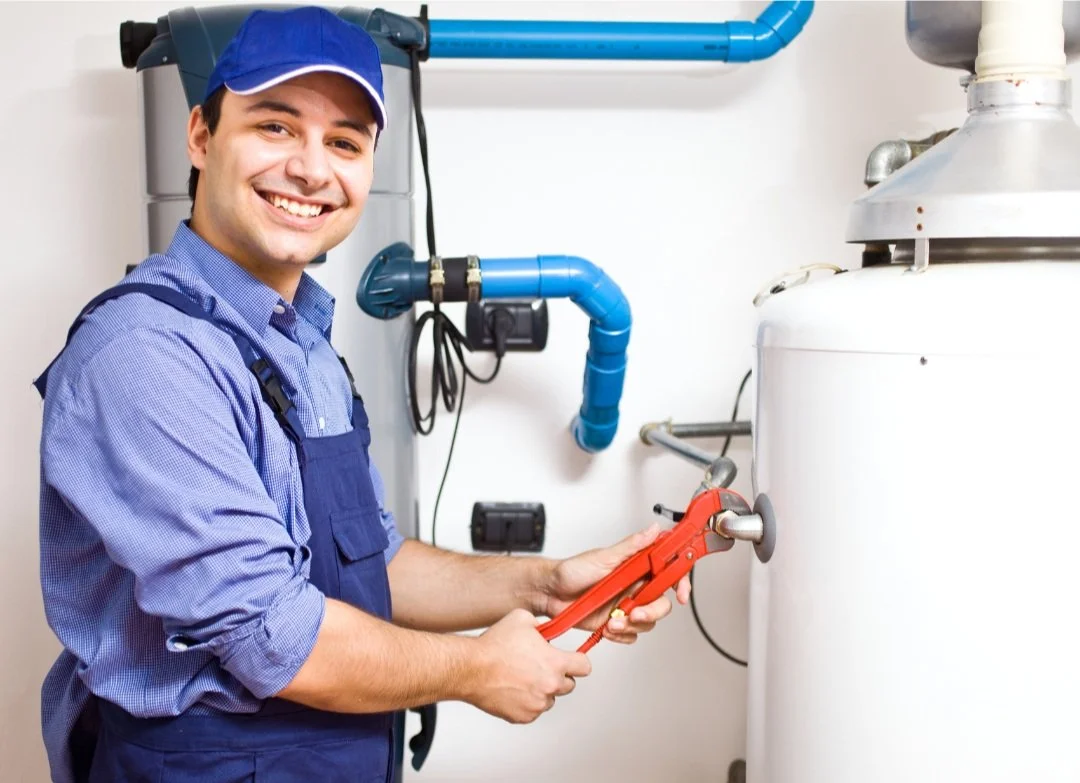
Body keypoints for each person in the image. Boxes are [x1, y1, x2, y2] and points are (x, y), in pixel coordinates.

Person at [34, 7, 689, 783]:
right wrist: (476, 668)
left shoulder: (300, 341)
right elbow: (273, 633)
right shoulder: (146, 356)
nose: (312, 169)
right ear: (202, 137)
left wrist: (547, 584)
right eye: (275, 127)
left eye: (344, 141)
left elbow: (373, 560)